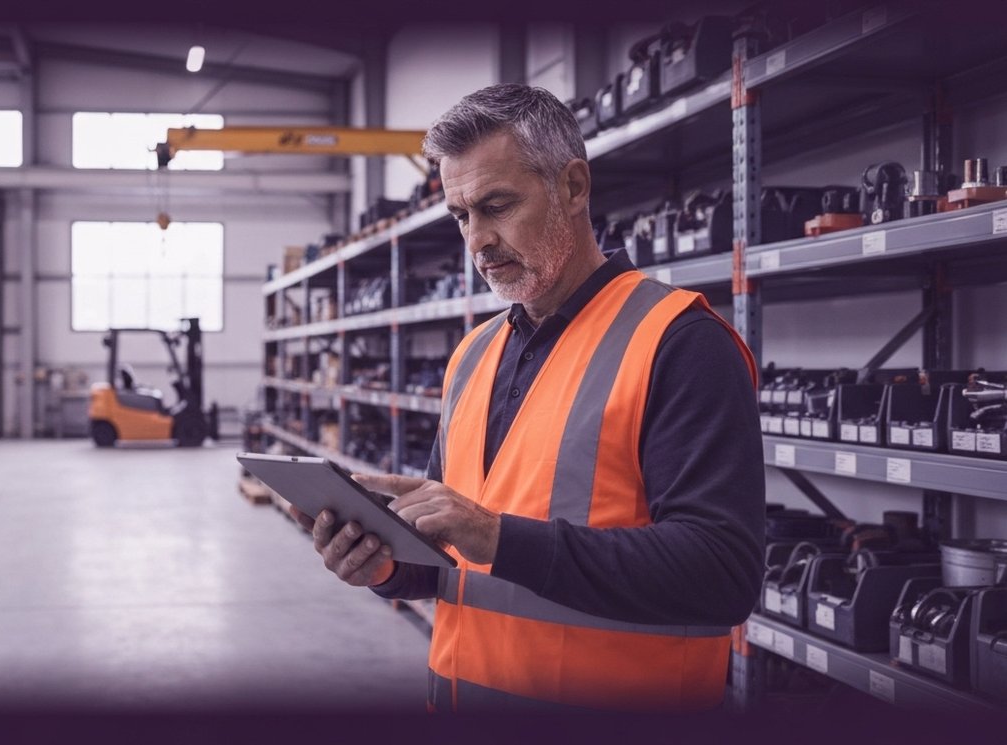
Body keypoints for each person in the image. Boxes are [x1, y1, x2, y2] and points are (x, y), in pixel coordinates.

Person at [291, 84, 765, 712]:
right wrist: (382, 561)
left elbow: (721, 575)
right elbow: (450, 562)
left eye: (497, 206)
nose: (477, 242)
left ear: (573, 187)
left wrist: (499, 538)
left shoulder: (679, 343)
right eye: (462, 216)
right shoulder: (473, 356)